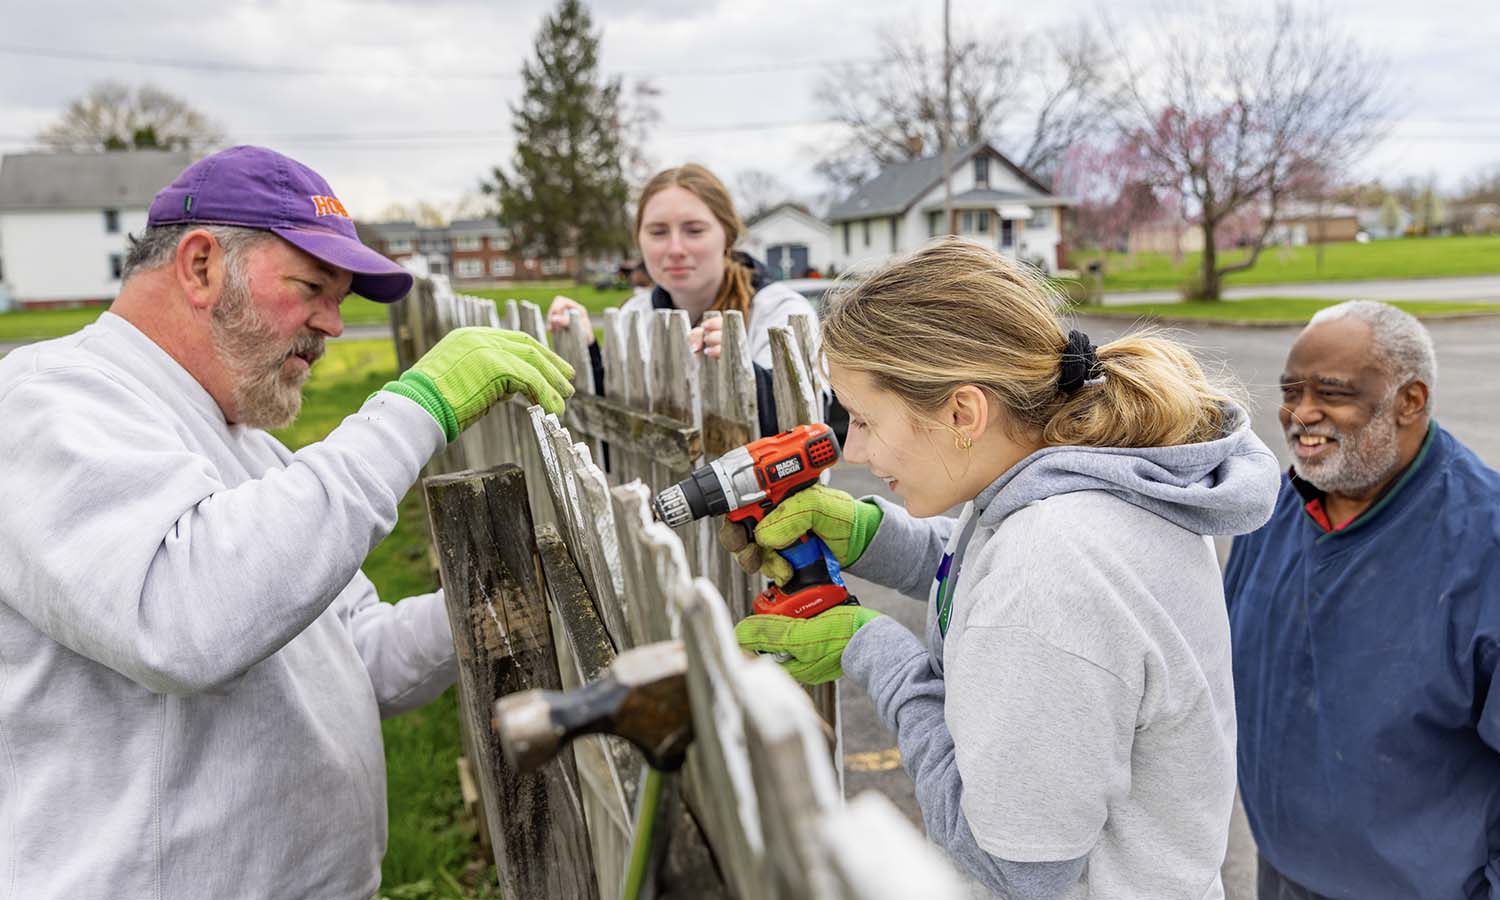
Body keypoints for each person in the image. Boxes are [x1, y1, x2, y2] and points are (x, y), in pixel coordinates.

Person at [0, 146, 574, 899]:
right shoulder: (49, 403)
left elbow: (354, 657)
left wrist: (500, 592)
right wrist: (415, 409)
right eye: (312, 287)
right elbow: (181, 616)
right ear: (202, 265)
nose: (332, 323)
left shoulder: (251, 449)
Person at [725, 238, 1281, 898]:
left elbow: (1013, 869)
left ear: (963, 412)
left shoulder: (1050, 567)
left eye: (867, 419)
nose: (855, 448)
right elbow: (990, 568)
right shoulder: (1087, 480)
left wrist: (870, 650)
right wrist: (872, 538)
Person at [1225, 301, 1500, 899]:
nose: (1301, 413)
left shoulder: (1486, 544)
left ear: (1410, 400)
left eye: (1333, 391)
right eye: (1291, 391)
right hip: (1282, 877)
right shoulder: (1270, 514)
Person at [547, 163, 819, 436]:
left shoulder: (781, 312)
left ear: (727, 235)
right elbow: (617, 439)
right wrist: (589, 350)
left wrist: (742, 369)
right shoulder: (634, 314)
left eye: (694, 230)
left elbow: (804, 430)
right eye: (658, 232)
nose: (675, 249)